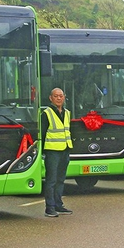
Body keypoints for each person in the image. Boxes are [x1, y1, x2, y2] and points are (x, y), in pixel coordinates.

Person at [43, 88, 73, 217]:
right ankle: (49, 207)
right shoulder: (46, 113)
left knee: (61, 179)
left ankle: (58, 205)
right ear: (51, 98)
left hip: (65, 150)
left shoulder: (67, 113)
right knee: (51, 180)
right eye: (56, 96)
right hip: (52, 151)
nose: (59, 98)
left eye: (61, 96)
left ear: (64, 97)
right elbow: (43, 133)